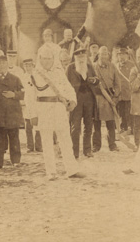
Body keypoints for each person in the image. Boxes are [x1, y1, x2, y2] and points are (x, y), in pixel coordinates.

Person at [29, 48, 86, 180]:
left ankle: (72, 169)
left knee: (65, 139)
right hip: (43, 109)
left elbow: (68, 88)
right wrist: (33, 114)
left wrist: (72, 100)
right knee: (47, 140)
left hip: (59, 108)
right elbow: (30, 96)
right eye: (44, 58)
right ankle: (51, 172)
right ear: (40, 59)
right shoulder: (34, 74)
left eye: (50, 58)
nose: (47, 61)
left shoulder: (59, 73)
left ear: (53, 59)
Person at [66, 47, 97, 159]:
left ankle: (87, 150)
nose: (81, 59)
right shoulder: (70, 68)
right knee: (75, 126)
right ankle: (74, 152)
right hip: (76, 99)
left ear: (86, 57)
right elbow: (64, 84)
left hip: (89, 99)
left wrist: (94, 80)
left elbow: (97, 79)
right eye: (79, 57)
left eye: (83, 56)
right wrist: (68, 100)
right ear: (75, 58)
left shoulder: (89, 67)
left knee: (89, 125)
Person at [91, 46, 122, 152]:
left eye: (106, 54)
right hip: (97, 97)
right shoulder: (93, 67)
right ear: (98, 55)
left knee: (111, 123)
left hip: (110, 98)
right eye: (102, 54)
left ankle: (112, 145)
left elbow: (118, 84)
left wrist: (115, 96)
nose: (104, 56)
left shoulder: (113, 66)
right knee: (96, 123)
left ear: (108, 55)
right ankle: (96, 145)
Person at [20, 57, 42, 153]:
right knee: (28, 125)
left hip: (37, 103)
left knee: (38, 125)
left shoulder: (38, 76)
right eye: (26, 65)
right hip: (27, 103)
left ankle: (39, 145)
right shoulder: (22, 77)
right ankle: (30, 146)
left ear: (33, 65)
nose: (28, 67)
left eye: (29, 65)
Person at [115, 47, 136, 133]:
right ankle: (123, 127)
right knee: (121, 111)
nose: (122, 57)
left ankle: (131, 127)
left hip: (129, 92)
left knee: (130, 110)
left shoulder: (132, 65)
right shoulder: (116, 66)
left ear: (127, 55)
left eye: (123, 54)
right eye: (120, 55)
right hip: (120, 93)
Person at [129, 49, 140, 149]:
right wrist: (138, 79)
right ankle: (138, 143)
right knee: (137, 124)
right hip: (137, 100)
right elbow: (132, 87)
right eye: (138, 57)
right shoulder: (133, 71)